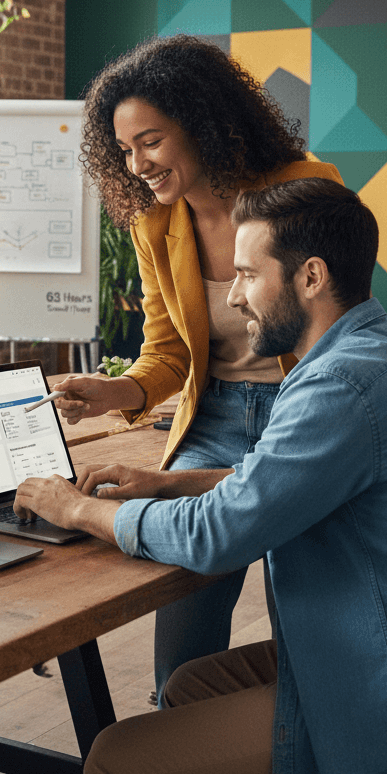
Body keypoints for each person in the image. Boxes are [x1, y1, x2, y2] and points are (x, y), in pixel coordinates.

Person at [14, 179, 387, 774]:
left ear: (310, 277)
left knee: (114, 766)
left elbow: (220, 536)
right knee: (191, 686)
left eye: (247, 273)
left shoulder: (339, 384)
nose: (235, 294)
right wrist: (171, 482)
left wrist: (77, 510)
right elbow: (277, 481)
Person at [56, 35, 343, 704]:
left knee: (302, 607)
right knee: (184, 612)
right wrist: (115, 389)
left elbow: (338, 332)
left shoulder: (306, 193)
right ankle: (178, 755)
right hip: (213, 416)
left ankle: (301, 741)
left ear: (204, 123)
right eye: (125, 150)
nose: (137, 164)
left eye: (150, 141)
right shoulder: (156, 225)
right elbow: (169, 353)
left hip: (301, 414)